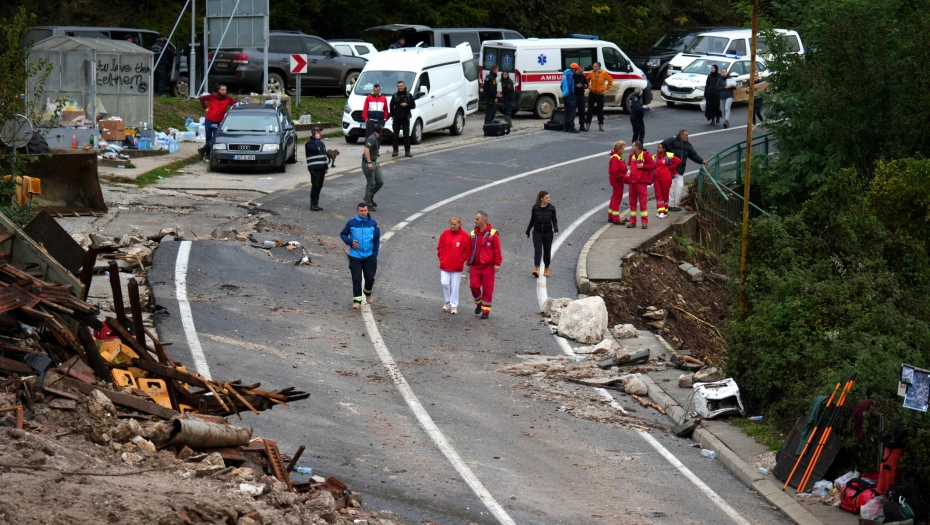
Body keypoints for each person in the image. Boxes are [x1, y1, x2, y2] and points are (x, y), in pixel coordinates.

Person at [340, 203, 380, 309]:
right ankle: (357, 301)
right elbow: (343, 234)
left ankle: (368, 292)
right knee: (357, 278)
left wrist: (375, 253)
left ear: (367, 211)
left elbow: (376, 239)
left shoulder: (373, 223)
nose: (363, 212)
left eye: (365, 210)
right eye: (361, 211)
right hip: (355, 255)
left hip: (369, 255)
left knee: (370, 278)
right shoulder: (351, 222)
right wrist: (350, 242)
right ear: (357, 211)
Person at [661, 129, 709, 211]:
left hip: (680, 171)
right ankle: (670, 205)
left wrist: (701, 160)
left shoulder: (687, 145)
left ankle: (676, 204)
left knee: (680, 186)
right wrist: (669, 157)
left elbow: (693, 155)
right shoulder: (672, 141)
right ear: (681, 135)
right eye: (686, 135)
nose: (687, 136)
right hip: (671, 170)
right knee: (671, 187)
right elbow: (662, 146)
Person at [468, 211, 502, 320]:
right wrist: (469, 263)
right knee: (474, 286)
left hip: (488, 266)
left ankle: (485, 311)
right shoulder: (473, 233)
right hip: (476, 266)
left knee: (488, 289)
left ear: (483, 220)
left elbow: (497, 250)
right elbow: (470, 250)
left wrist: (497, 263)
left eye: (477, 219)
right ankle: (479, 303)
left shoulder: (493, 233)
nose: (475, 221)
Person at [437, 216, 471, 315]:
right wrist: (442, 258)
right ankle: (447, 300)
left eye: (454, 224)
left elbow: (467, 250)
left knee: (455, 286)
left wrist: (461, 260)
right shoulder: (445, 234)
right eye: (451, 224)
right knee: (444, 282)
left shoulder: (464, 236)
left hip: (457, 266)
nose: (452, 226)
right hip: (445, 264)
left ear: (459, 224)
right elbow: (440, 247)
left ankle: (454, 305)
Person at [525, 190, 559, 278]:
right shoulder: (535, 208)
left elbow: (554, 220)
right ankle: (537, 268)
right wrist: (528, 231)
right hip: (537, 232)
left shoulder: (552, 208)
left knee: (547, 252)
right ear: (541, 199)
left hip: (548, 233)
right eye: (547, 198)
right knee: (538, 250)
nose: (549, 199)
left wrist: (556, 230)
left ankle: (546, 268)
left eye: (549, 197)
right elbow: (532, 220)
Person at [197, 85, 238, 158]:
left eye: (225, 89)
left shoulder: (227, 98)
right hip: (209, 120)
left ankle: (203, 150)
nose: (224, 91)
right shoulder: (213, 96)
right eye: (222, 90)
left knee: (215, 138)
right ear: (219, 90)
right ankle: (207, 155)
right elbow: (202, 98)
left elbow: (235, 103)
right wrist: (205, 108)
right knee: (208, 138)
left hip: (218, 121)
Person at [627, 141, 655, 229]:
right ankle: (632, 221)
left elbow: (654, 165)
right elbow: (629, 164)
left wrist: (643, 166)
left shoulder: (646, 156)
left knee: (643, 202)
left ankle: (644, 221)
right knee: (632, 202)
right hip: (632, 182)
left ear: (637, 147)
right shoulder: (631, 156)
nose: (631, 147)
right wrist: (629, 167)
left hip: (641, 182)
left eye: (633, 146)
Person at [654, 142, 681, 219]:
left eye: (660, 147)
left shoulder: (668, 155)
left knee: (665, 194)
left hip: (666, 178)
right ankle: (661, 211)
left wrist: (670, 167)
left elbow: (678, 161)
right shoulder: (655, 156)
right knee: (658, 194)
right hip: (657, 178)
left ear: (664, 149)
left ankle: (664, 212)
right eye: (658, 147)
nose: (658, 148)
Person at [390, 80, 416, 158]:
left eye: (401, 86)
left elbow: (413, 105)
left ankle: (407, 151)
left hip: (405, 118)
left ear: (404, 86)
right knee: (395, 135)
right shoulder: (395, 95)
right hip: (396, 118)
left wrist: (407, 105)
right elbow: (391, 105)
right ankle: (395, 151)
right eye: (398, 86)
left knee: (406, 135)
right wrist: (393, 115)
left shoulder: (409, 95)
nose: (400, 88)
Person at [304, 127, 328, 211]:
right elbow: (314, 149)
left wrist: (326, 167)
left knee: (320, 185)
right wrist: (316, 140)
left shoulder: (321, 144)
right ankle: (313, 204)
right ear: (313, 133)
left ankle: (316, 203)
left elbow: (324, 156)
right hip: (314, 169)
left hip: (321, 168)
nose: (320, 133)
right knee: (315, 185)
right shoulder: (309, 143)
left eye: (320, 132)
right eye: (318, 132)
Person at [586, 61, 613, 132]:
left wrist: (607, 89)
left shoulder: (604, 73)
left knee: (600, 110)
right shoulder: (591, 72)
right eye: (593, 66)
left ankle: (601, 125)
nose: (593, 67)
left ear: (598, 67)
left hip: (600, 94)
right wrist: (589, 85)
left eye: (594, 66)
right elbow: (587, 79)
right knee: (590, 110)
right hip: (592, 93)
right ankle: (588, 124)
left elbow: (610, 80)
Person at [362, 124, 384, 209]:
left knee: (380, 181)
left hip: (375, 162)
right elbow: (366, 150)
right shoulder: (372, 138)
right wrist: (369, 162)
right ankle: (368, 203)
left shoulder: (376, 138)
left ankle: (369, 196)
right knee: (371, 183)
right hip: (369, 162)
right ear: (381, 132)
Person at [607, 140, 628, 224]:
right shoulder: (616, 158)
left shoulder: (616, 157)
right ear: (619, 149)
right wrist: (623, 178)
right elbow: (616, 172)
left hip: (617, 180)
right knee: (617, 199)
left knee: (614, 198)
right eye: (623, 149)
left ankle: (611, 216)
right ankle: (616, 218)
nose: (624, 150)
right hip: (617, 181)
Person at [561, 63, 579, 133]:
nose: (575, 71)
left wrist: (564, 91)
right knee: (572, 111)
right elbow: (570, 84)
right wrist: (571, 92)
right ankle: (571, 127)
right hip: (569, 94)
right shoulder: (570, 74)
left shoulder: (564, 74)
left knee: (566, 111)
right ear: (573, 69)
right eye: (576, 69)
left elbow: (561, 85)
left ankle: (566, 127)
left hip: (565, 94)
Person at [573, 65, 589, 131]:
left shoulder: (583, 76)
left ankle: (582, 125)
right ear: (576, 70)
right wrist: (576, 85)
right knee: (573, 111)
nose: (581, 73)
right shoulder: (573, 76)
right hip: (575, 94)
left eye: (582, 72)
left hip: (581, 94)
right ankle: (572, 125)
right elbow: (570, 85)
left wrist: (585, 86)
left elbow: (587, 84)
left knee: (582, 111)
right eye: (579, 72)